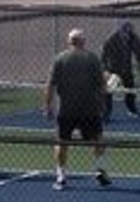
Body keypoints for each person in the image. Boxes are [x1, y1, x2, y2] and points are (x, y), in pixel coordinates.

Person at [43, 29, 111, 190]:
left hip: (66, 110)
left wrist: (47, 106)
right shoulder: (92, 58)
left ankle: (61, 176)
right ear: (83, 41)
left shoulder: (59, 59)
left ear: (69, 42)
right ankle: (100, 171)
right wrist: (103, 103)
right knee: (98, 141)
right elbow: (102, 85)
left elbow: (50, 85)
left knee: (61, 142)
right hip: (89, 109)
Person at [100, 20, 140, 119]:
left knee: (130, 90)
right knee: (108, 91)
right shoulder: (111, 39)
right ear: (120, 30)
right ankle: (106, 113)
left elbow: (139, 52)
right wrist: (105, 70)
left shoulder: (133, 37)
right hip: (114, 69)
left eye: (129, 30)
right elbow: (103, 55)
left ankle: (132, 109)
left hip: (127, 68)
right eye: (125, 30)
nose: (128, 32)